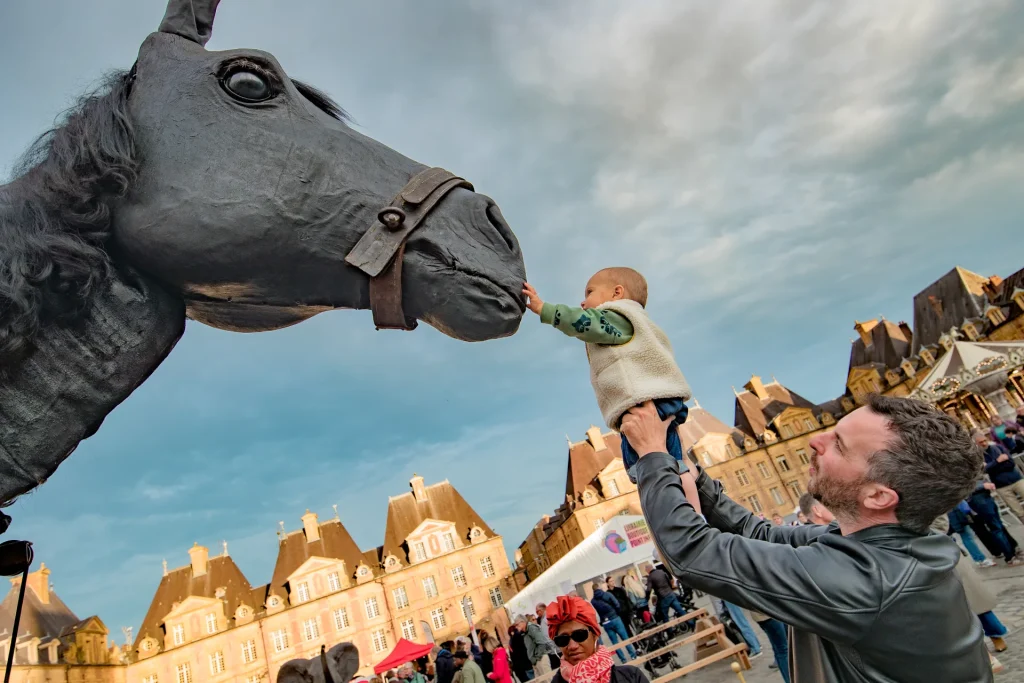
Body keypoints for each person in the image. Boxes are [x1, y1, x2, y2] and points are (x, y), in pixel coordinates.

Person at [620, 393, 990, 682]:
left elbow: (692, 552)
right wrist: (690, 470)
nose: (815, 440)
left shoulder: (869, 580)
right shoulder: (873, 545)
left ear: (878, 496)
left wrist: (652, 457)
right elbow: (759, 533)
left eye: (839, 444)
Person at [521, 270, 699, 517]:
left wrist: (545, 309)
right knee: (663, 469)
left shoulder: (618, 316)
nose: (583, 302)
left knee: (661, 470)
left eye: (590, 292)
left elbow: (584, 323)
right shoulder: (635, 324)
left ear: (617, 293)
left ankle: (690, 520)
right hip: (656, 402)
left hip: (645, 405)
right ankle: (685, 517)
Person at [545, 595, 650, 683]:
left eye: (579, 635)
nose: (572, 646)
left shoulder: (632, 677)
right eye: (563, 639)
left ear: (595, 635)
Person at [975, 430, 1024, 520]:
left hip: (1016, 479)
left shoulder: (998, 447)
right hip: (1001, 486)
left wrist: (991, 466)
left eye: (985, 440)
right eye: (981, 442)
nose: (984, 443)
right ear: (976, 444)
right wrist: (998, 461)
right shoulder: (978, 457)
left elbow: (1011, 463)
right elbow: (984, 470)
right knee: (1019, 512)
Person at [590, 581, 636, 663]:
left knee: (615, 642)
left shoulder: (593, 601)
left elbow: (596, 612)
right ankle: (633, 655)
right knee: (624, 638)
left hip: (606, 622)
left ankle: (623, 659)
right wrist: (616, 613)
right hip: (615, 618)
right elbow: (617, 604)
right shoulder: (608, 594)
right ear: (600, 587)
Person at [947, 501, 996, 567]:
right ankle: (980, 559)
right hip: (956, 515)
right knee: (967, 537)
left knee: (963, 538)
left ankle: (979, 559)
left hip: (950, 517)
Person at [749, 609, 791, 683]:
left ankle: (792, 678)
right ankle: (791, 680)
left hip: (768, 613)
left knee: (781, 649)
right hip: (768, 614)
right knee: (782, 650)